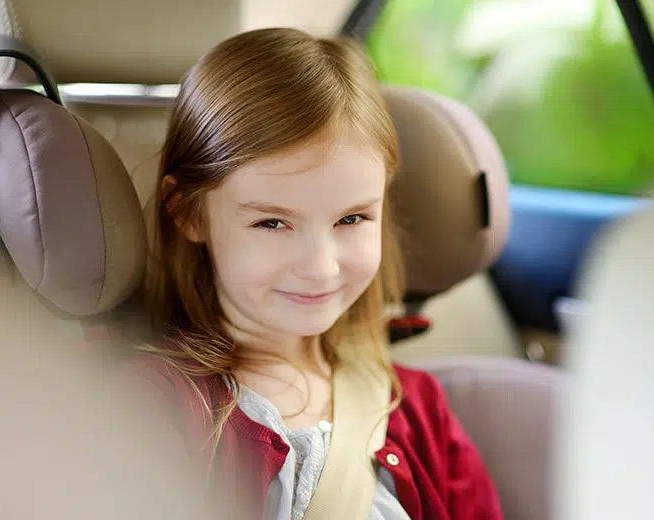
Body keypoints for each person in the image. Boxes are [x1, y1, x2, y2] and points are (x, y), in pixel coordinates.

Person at [120, 27, 503, 520]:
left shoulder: (418, 411)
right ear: (188, 213)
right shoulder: (156, 410)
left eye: (351, 219)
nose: (321, 267)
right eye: (272, 222)